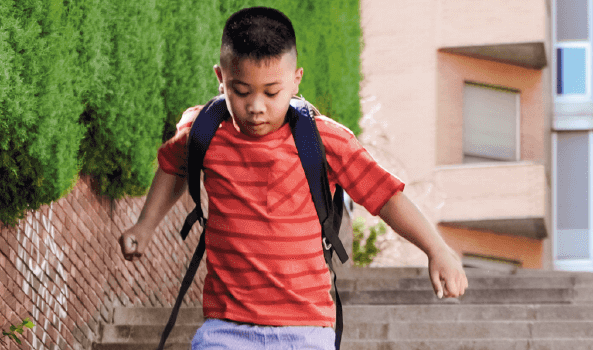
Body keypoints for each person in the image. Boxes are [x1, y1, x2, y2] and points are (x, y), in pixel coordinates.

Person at [116, 7, 467, 349]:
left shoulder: (324, 140)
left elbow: (386, 196)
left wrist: (437, 250)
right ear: (220, 79)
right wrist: (144, 226)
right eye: (240, 91)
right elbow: (174, 165)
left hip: (306, 330)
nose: (256, 106)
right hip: (226, 327)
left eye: (272, 92)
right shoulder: (204, 130)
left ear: (296, 80)